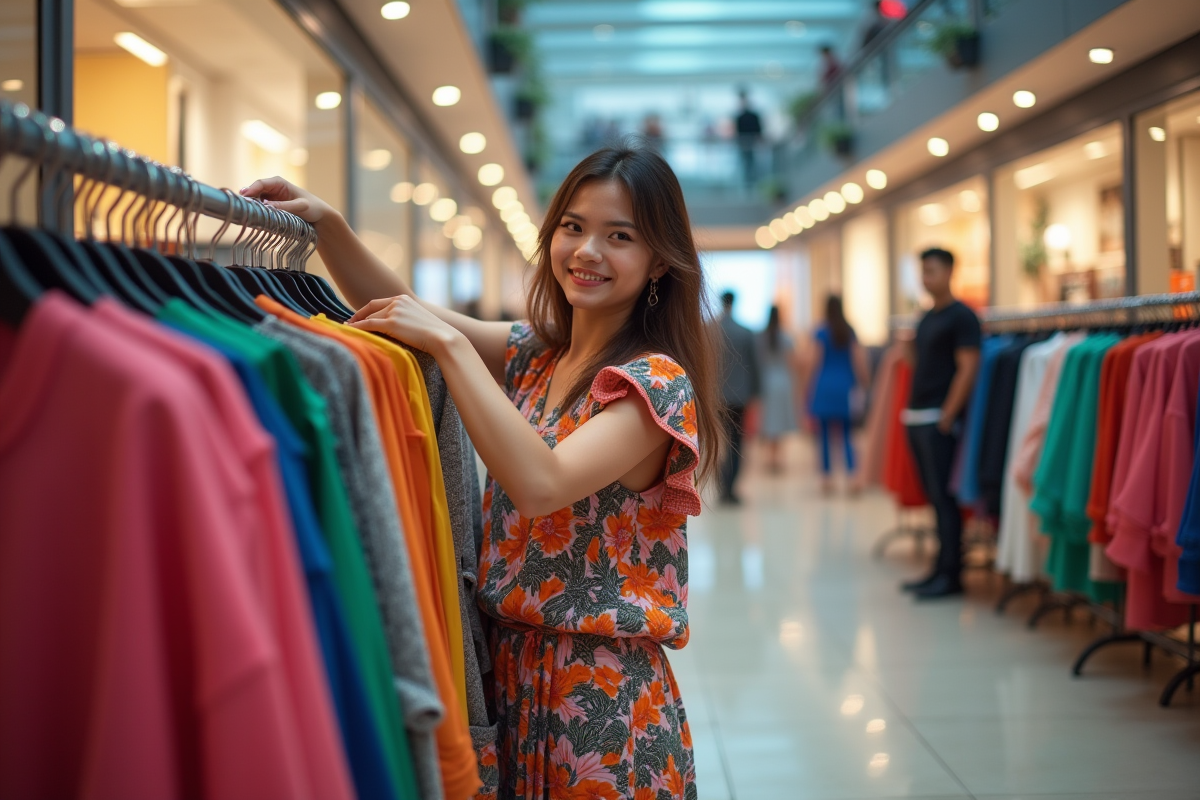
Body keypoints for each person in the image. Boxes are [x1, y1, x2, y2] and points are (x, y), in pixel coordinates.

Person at [242, 141, 724, 799]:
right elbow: (402, 308)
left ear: (659, 262)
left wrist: (451, 346)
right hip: (511, 678)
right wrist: (328, 226)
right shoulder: (542, 356)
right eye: (573, 227)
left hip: (603, 703)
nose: (586, 251)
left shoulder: (654, 384)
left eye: (620, 236)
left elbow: (542, 484)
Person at [901, 248, 982, 600]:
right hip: (917, 415)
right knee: (933, 497)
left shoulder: (963, 317)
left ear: (949, 271)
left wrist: (948, 414)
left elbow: (968, 367)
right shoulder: (926, 317)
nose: (926, 278)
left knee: (945, 500)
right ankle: (939, 568)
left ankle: (951, 573)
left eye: (931, 271)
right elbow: (918, 364)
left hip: (938, 418)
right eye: (923, 272)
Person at [802, 295, 870, 493]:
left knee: (823, 435)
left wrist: (806, 387)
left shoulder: (821, 332)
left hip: (823, 387)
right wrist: (865, 383)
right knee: (847, 434)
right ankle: (853, 477)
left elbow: (813, 362)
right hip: (845, 387)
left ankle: (826, 478)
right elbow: (859, 361)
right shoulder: (849, 331)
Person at [717, 290, 760, 503]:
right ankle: (730, 486)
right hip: (739, 396)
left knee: (718, 442)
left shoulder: (709, 330)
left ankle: (721, 485)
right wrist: (756, 392)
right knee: (736, 441)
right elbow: (754, 365)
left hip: (715, 395)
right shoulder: (745, 332)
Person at [756, 305, 799, 472]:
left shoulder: (761, 337)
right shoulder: (785, 338)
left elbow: (758, 361)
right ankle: (779, 458)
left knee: (769, 419)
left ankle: (770, 457)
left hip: (767, 382)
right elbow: (792, 361)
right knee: (781, 419)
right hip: (783, 382)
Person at [734, 89, 764, 188]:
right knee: (746, 162)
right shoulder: (740, 117)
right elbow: (738, 131)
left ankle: (753, 182)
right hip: (744, 143)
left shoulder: (752, 116)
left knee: (752, 162)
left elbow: (758, 129)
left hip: (751, 143)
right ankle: (748, 183)